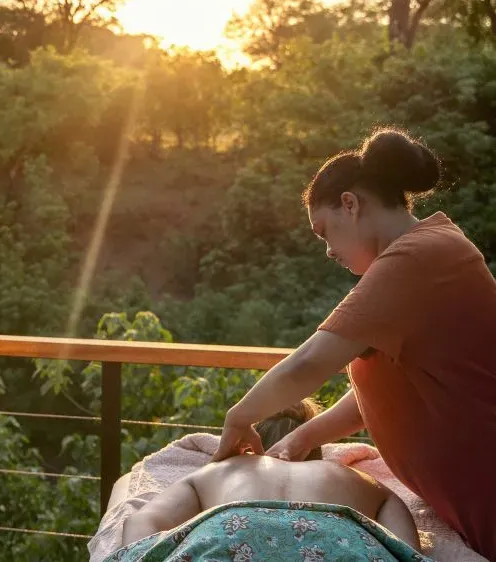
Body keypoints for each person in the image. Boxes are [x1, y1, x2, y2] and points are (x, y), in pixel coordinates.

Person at [211, 127, 496, 558]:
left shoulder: (419, 257)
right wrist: (303, 437)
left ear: (350, 203)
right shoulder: (422, 254)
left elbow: (310, 362)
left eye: (324, 231)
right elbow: (379, 394)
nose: (327, 251)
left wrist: (239, 416)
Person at [116, 400, 423, 560]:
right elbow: (405, 545)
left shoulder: (220, 469)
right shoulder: (349, 476)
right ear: (317, 453)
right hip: (336, 542)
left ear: (252, 444)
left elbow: (143, 524)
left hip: (231, 534)